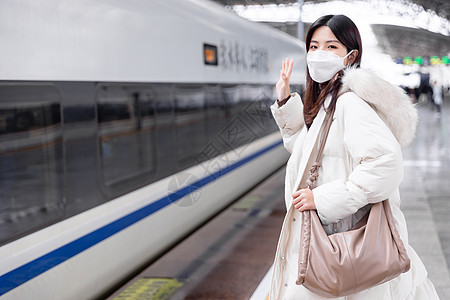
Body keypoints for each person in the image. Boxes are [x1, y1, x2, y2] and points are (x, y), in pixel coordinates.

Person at [269, 14, 439, 299]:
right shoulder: (330, 102)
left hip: (344, 242)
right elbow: (310, 152)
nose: (318, 54)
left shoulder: (349, 103)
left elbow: (385, 164)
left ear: (350, 56)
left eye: (331, 46)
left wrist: (322, 199)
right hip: (334, 240)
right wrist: (286, 103)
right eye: (313, 46)